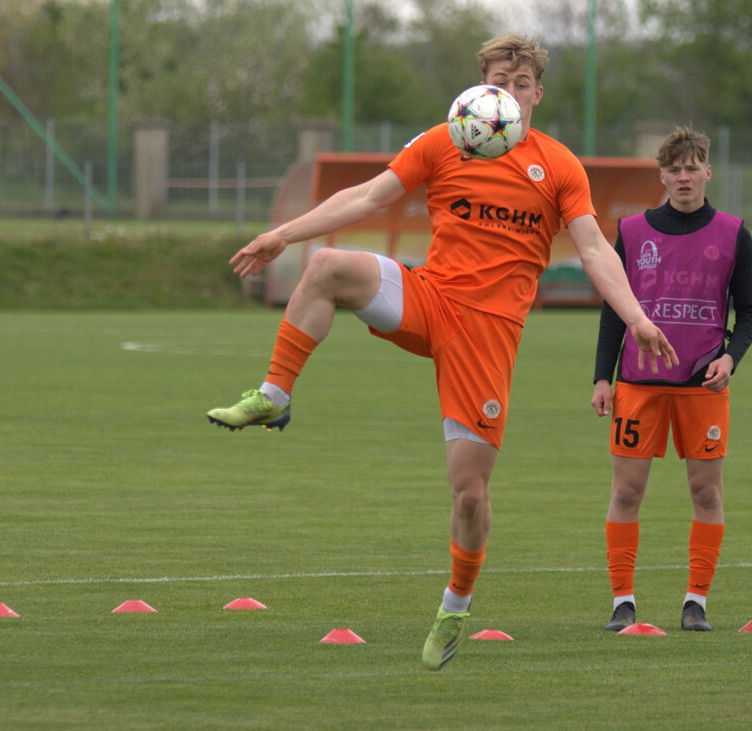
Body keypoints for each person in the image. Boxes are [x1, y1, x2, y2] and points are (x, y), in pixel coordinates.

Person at [206, 33, 679, 671]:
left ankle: (454, 606)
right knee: (324, 268)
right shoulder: (444, 140)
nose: (505, 94)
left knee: (468, 494)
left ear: (537, 94)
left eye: (518, 84)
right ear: (475, 89)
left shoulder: (558, 166)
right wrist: (279, 236)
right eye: (495, 82)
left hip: (486, 336)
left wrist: (636, 317)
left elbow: (595, 248)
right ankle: (274, 396)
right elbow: (367, 198)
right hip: (429, 297)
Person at [591, 126, 752, 634]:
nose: (684, 177)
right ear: (661, 175)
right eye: (675, 169)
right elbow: (612, 311)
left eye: (693, 168)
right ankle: (623, 602)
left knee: (707, 493)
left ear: (708, 172)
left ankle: (696, 603)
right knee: (626, 491)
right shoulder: (632, 231)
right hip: (639, 385)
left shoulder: (734, 233)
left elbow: (750, 311)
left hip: (702, 388)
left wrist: (731, 358)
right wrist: (603, 376)